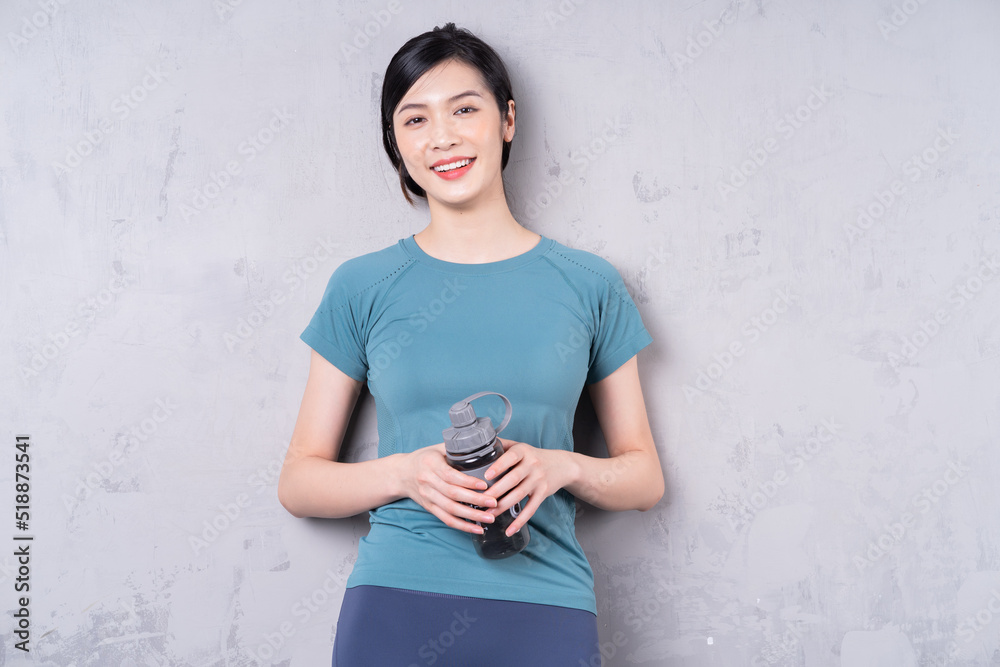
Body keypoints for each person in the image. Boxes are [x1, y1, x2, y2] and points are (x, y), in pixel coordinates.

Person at [277, 22, 664, 666]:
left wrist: (562, 466)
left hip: (546, 604)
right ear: (396, 145)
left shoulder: (589, 283)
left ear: (507, 120)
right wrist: (405, 473)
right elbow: (299, 482)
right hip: (396, 603)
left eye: (464, 109)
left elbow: (644, 476)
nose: (443, 138)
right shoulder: (363, 285)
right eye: (415, 120)